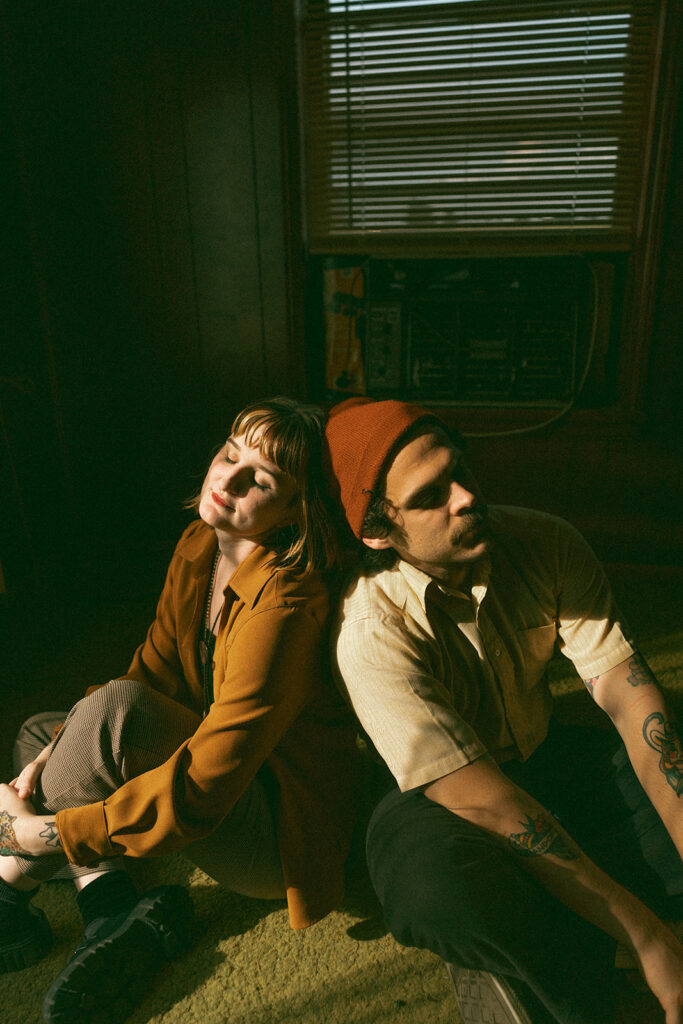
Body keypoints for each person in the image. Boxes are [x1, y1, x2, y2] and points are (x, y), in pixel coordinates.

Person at [0, 396, 360, 1024]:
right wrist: (52, 756)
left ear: (295, 510)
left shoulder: (287, 600)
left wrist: (41, 835)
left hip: (273, 827)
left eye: (261, 479)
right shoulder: (202, 541)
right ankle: (111, 910)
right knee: (44, 731)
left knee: (111, 719)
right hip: (214, 784)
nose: (228, 479)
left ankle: (9, 889)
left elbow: (208, 780)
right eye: (229, 454)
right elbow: (154, 671)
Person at [324, 396, 683, 1024]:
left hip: (548, 759)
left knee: (669, 750)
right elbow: (484, 800)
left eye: (461, 472)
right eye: (430, 496)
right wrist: (647, 939)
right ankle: (594, 982)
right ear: (379, 532)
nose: (465, 497)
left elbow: (630, 700)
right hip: (440, 805)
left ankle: (575, 934)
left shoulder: (544, 540)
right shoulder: (368, 629)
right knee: (434, 892)